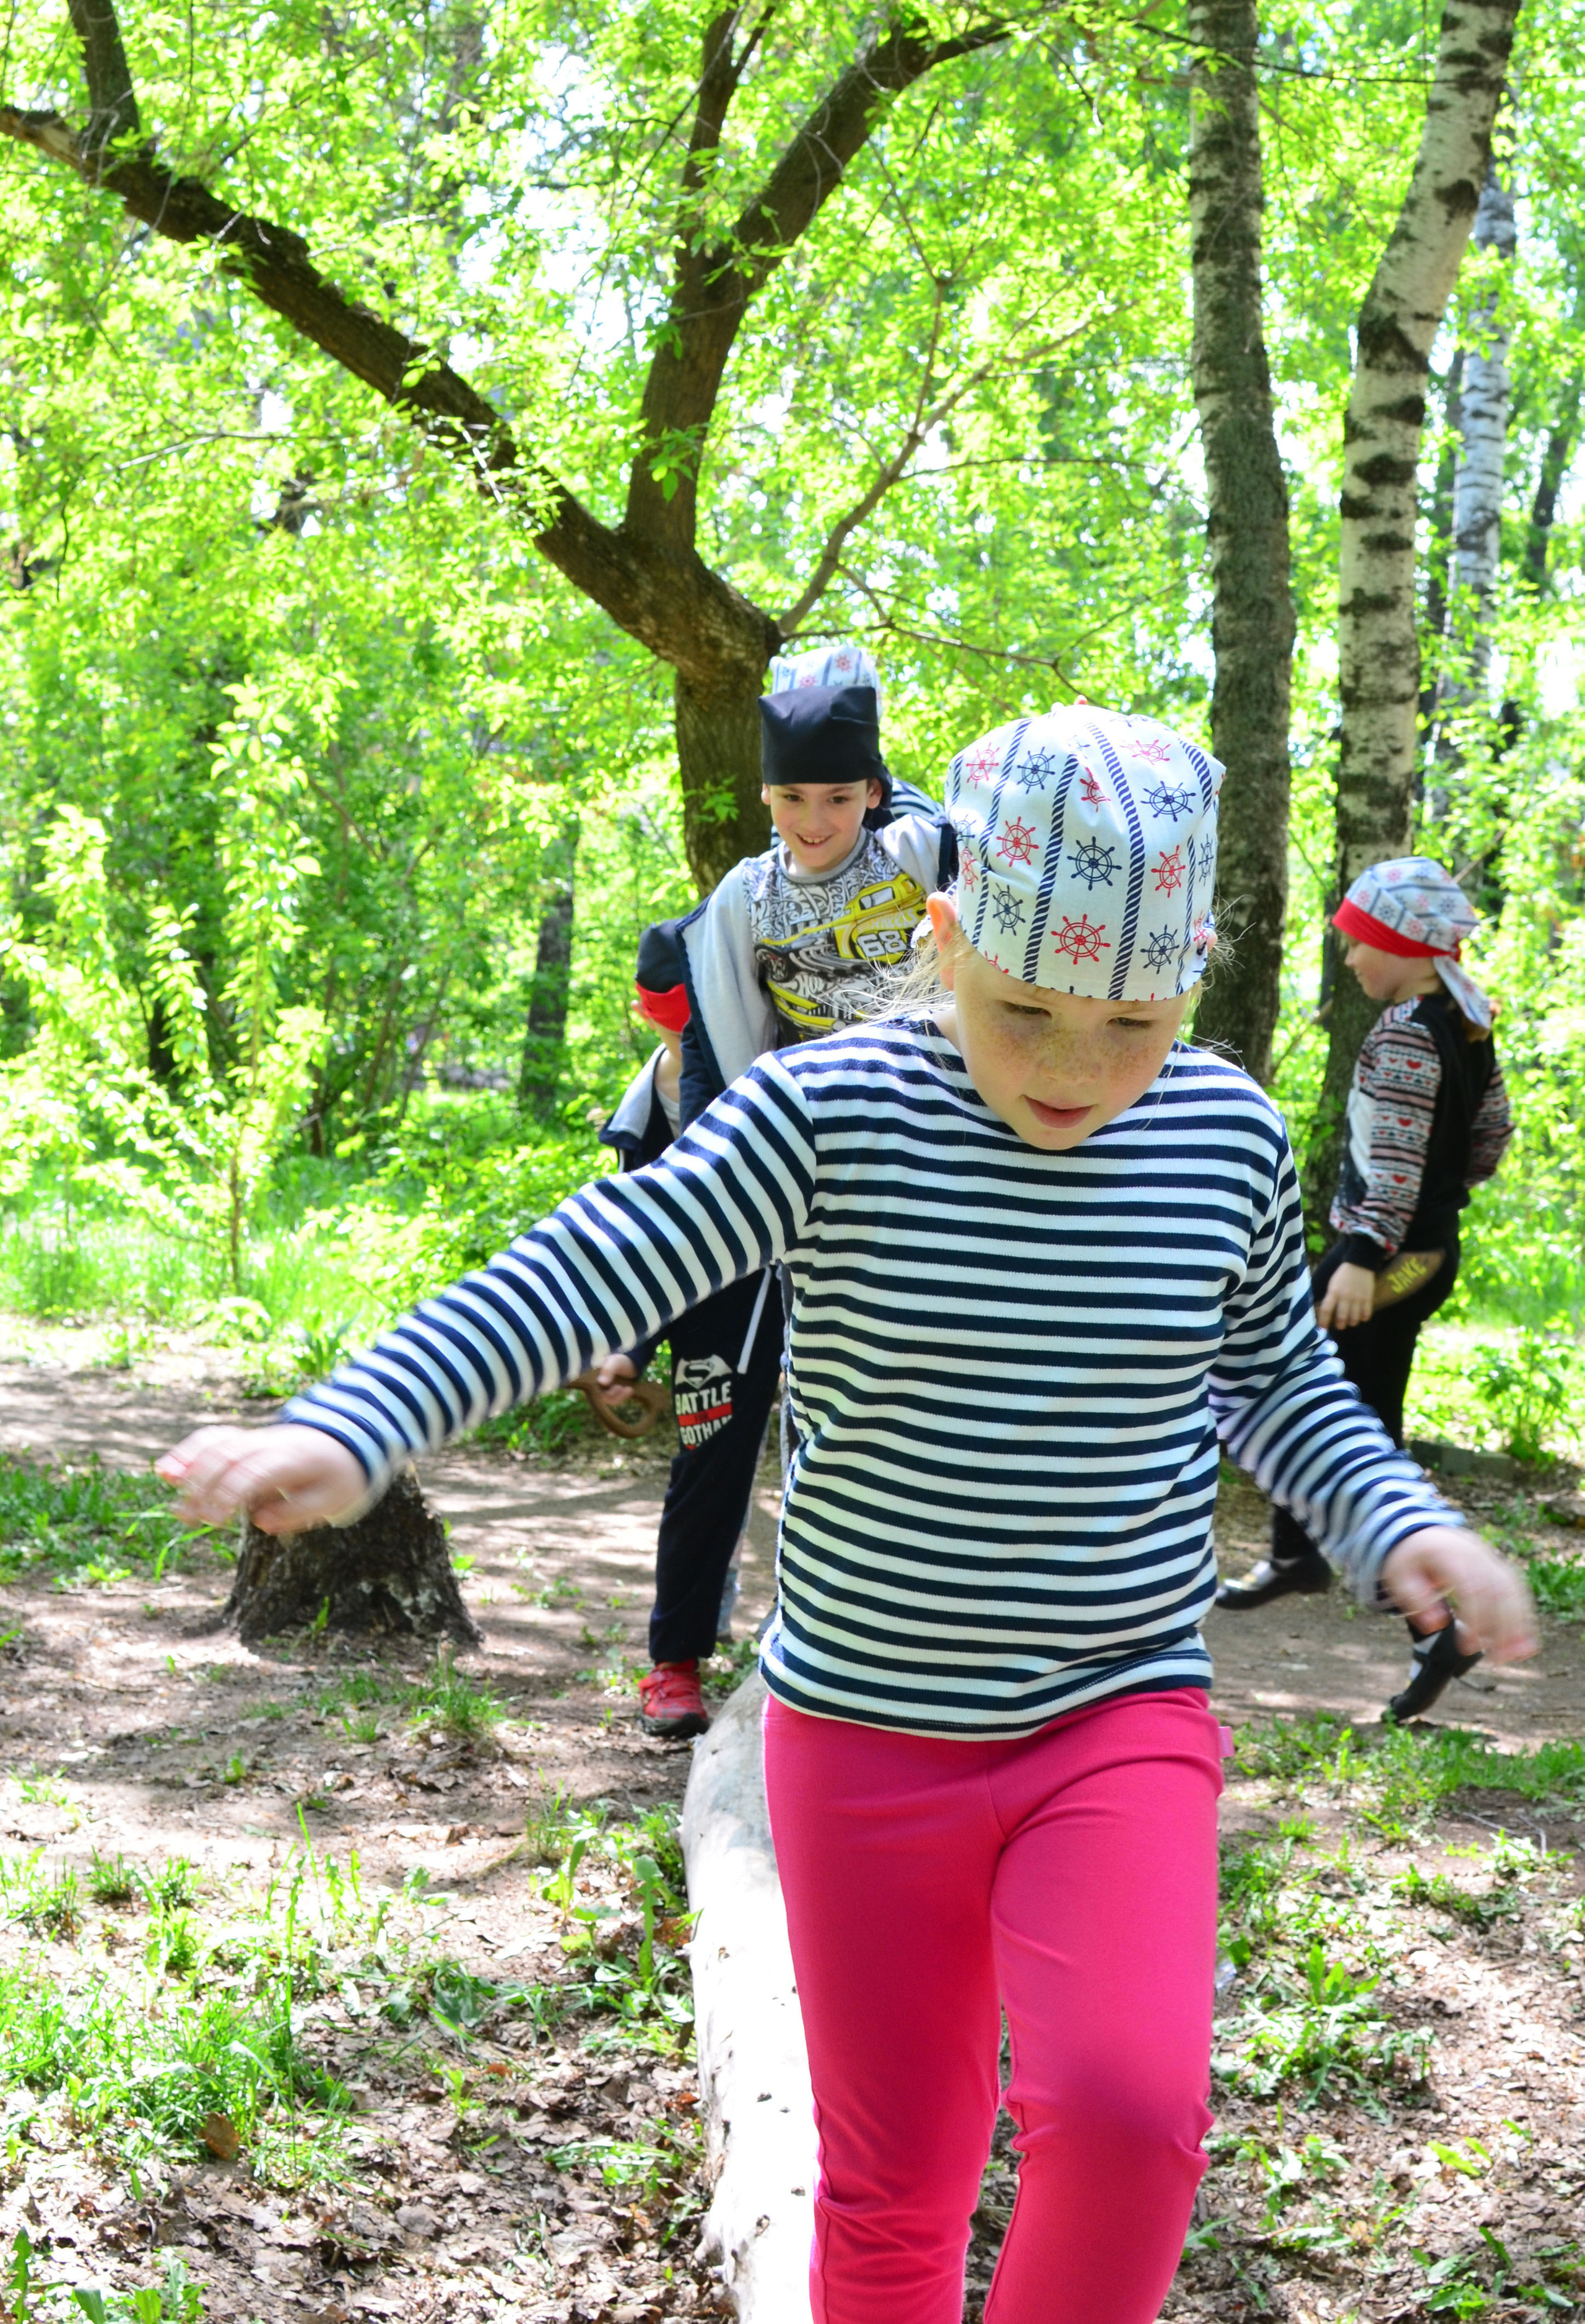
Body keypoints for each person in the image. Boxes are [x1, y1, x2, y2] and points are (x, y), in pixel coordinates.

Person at [156, 709, 1534, 2324]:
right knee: (897, 2184)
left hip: (1114, 1715)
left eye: (1131, 1024)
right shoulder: (834, 1110)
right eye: (1026, 1011)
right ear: (945, 937)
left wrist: (1395, 1521)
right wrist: (361, 1419)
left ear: (1194, 978)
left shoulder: (1220, 1135)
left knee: (1128, 2116)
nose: (1074, 1068)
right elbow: (595, 1260)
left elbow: (1277, 1379)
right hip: (865, 1741)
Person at [1215, 857, 1514, 1723]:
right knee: (1347, 1411)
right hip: (1428, 1254)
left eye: (1359, 942)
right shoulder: (1466, 1021)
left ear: (1405, 950)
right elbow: (1490, 1138)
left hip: (1380, 1261)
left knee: (1308, 1402)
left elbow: (1395, 1157)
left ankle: (1429, 1620)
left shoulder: (1405, 1032)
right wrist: (1434, 1216)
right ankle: (1308, 1558)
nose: (1348, 959)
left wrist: (1360, 1251)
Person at [593, 919, 782, 1740]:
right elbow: (648, 1247)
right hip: (714, 1318)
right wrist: (627, 1348)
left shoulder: (780, 1069)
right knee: (708, 1473)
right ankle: (674, 1664)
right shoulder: (645, 1121)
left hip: (816, 1298)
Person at [674, 642, 956, 1124]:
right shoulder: (744, 897)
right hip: (814, 1122)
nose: (813, 822)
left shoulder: (921, 854)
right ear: (766, 791)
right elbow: (708, 1043)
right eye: (793, 798)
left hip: (927, 1111)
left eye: (838, 799)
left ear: (873, 792)